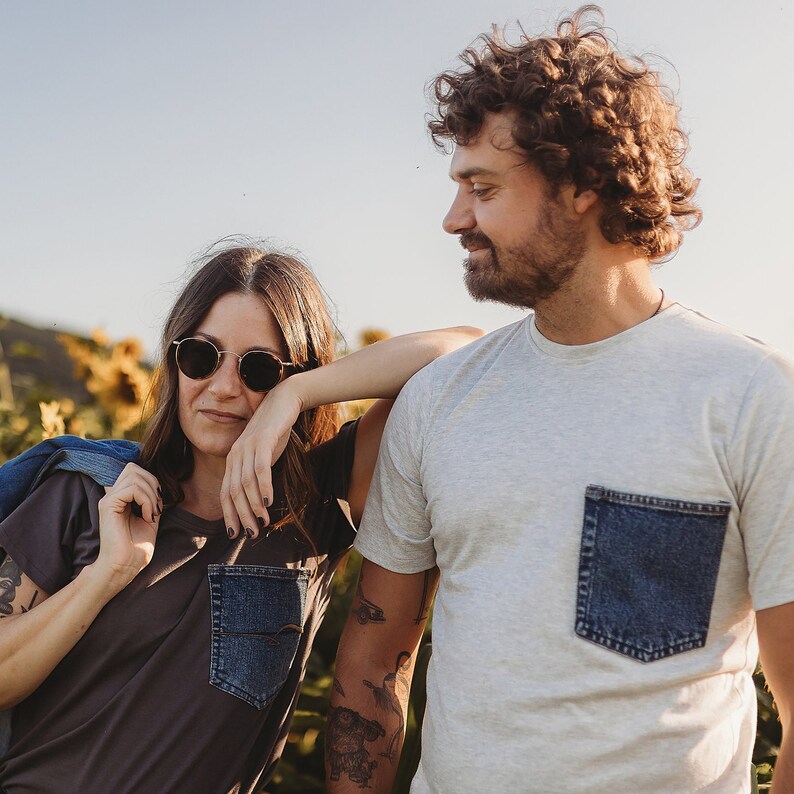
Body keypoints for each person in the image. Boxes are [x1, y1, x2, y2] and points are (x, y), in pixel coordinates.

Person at [327, 7, 794, 794]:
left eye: (483, 188)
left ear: (582, 184)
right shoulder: (439, 401)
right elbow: (370, 670)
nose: (454, 219)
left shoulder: (752, 397)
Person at [0, 242, 482, 793]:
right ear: (174, 361)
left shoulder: (318, 505)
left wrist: (294, 395)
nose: (225, 387)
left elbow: (464, 353)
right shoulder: (87, 493)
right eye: (202, 357)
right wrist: (105, 575)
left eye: (260, 369)